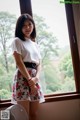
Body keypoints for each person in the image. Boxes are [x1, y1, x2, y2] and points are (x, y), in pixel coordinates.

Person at [11, 13, 45, 120]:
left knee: (34, 114)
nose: (27, 28)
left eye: (29, 25)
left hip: (34, 78)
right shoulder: (17, 41)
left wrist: (36, 79)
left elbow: (39, 64)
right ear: (19, 27)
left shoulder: (35, 44)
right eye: (24, 25)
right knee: (23, 115)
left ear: (33, 26)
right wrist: (30, 80)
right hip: (23, 77)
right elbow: (19, 62)